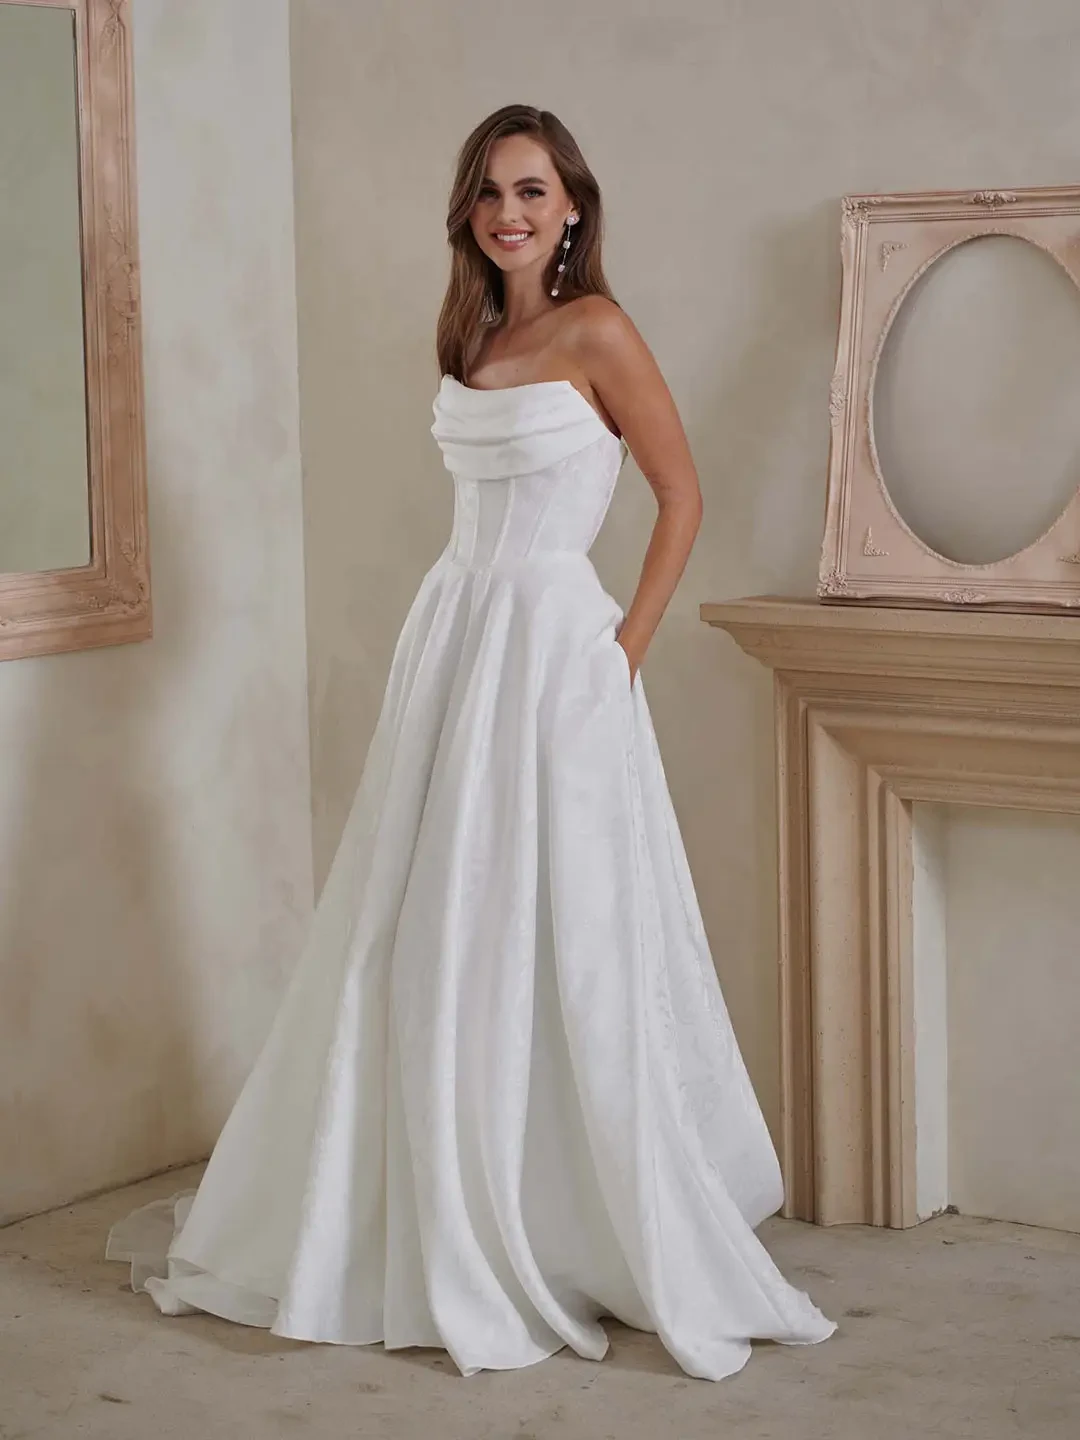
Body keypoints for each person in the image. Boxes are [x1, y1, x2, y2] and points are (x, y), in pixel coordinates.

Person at [107, 103, 835, 1382]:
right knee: (429, 927)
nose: (512, 210)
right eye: (493, 190)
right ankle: (431, 1199)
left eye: (535, 190)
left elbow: (683, 495)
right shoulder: (474, 332)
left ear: (572, 208)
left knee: (562, 932)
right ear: (473, 211)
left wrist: (622, 655)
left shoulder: (599, 329)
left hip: (556, 650)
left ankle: (572, 1212)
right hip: (453, 646)